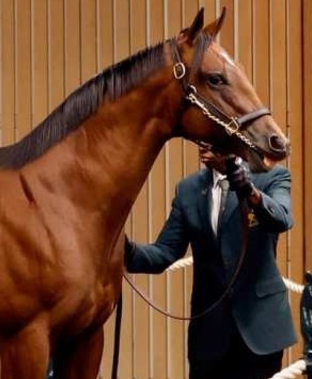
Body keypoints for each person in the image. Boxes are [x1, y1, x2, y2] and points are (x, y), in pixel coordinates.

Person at [124, 142, 295, 379]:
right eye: (201, 141)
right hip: (209, 334)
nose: (204, 146)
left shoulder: (271, 177)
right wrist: (124, 249)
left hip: (260, 328)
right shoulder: (188, 190)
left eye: (211, 140)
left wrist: (248, 190)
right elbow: (163, 253)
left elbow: (282, 219)